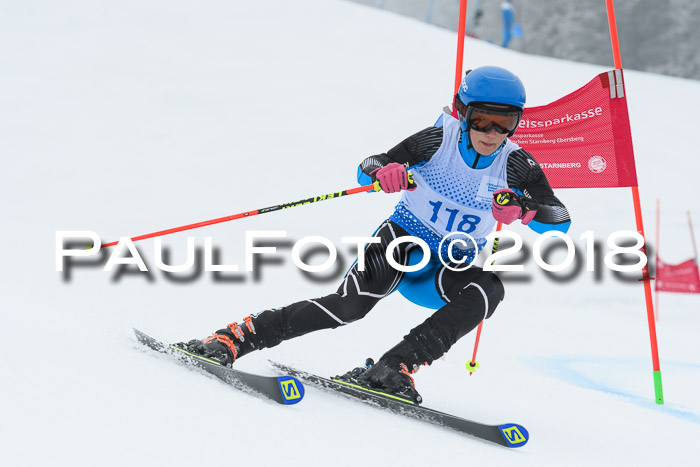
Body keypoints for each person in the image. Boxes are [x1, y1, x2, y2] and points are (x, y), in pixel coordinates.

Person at [178, 66, 571, 404]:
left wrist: (525, 209)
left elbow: (560, 218)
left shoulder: (516, 164)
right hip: (402, 243)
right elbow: (371, 163)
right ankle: (234, 338)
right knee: (348, 308)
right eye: (482, 119)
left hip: (447, 266)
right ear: (463, 113)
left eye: (506, 122)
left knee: (489, 289)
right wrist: (384, 172)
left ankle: (392, 367)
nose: (492, 132)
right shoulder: (438, 141)